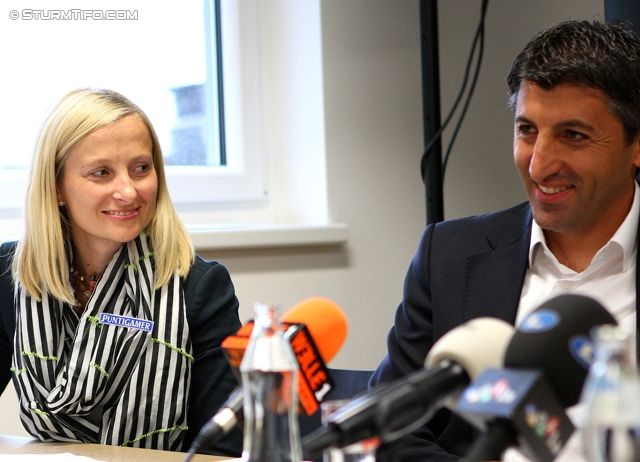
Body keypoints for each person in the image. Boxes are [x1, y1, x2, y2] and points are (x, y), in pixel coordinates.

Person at [370, 19, 640, 461]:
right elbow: (391, 429)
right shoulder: (450, 256)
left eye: (573, 136)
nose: (539, 166)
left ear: (636, 144)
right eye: (527, 130)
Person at [0, 88, 243, 456]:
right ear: (56, 187)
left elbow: (221, 448)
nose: (128, 191)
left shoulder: (199, 286)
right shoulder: (11, 274)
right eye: (101, 173)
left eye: (141, 169)